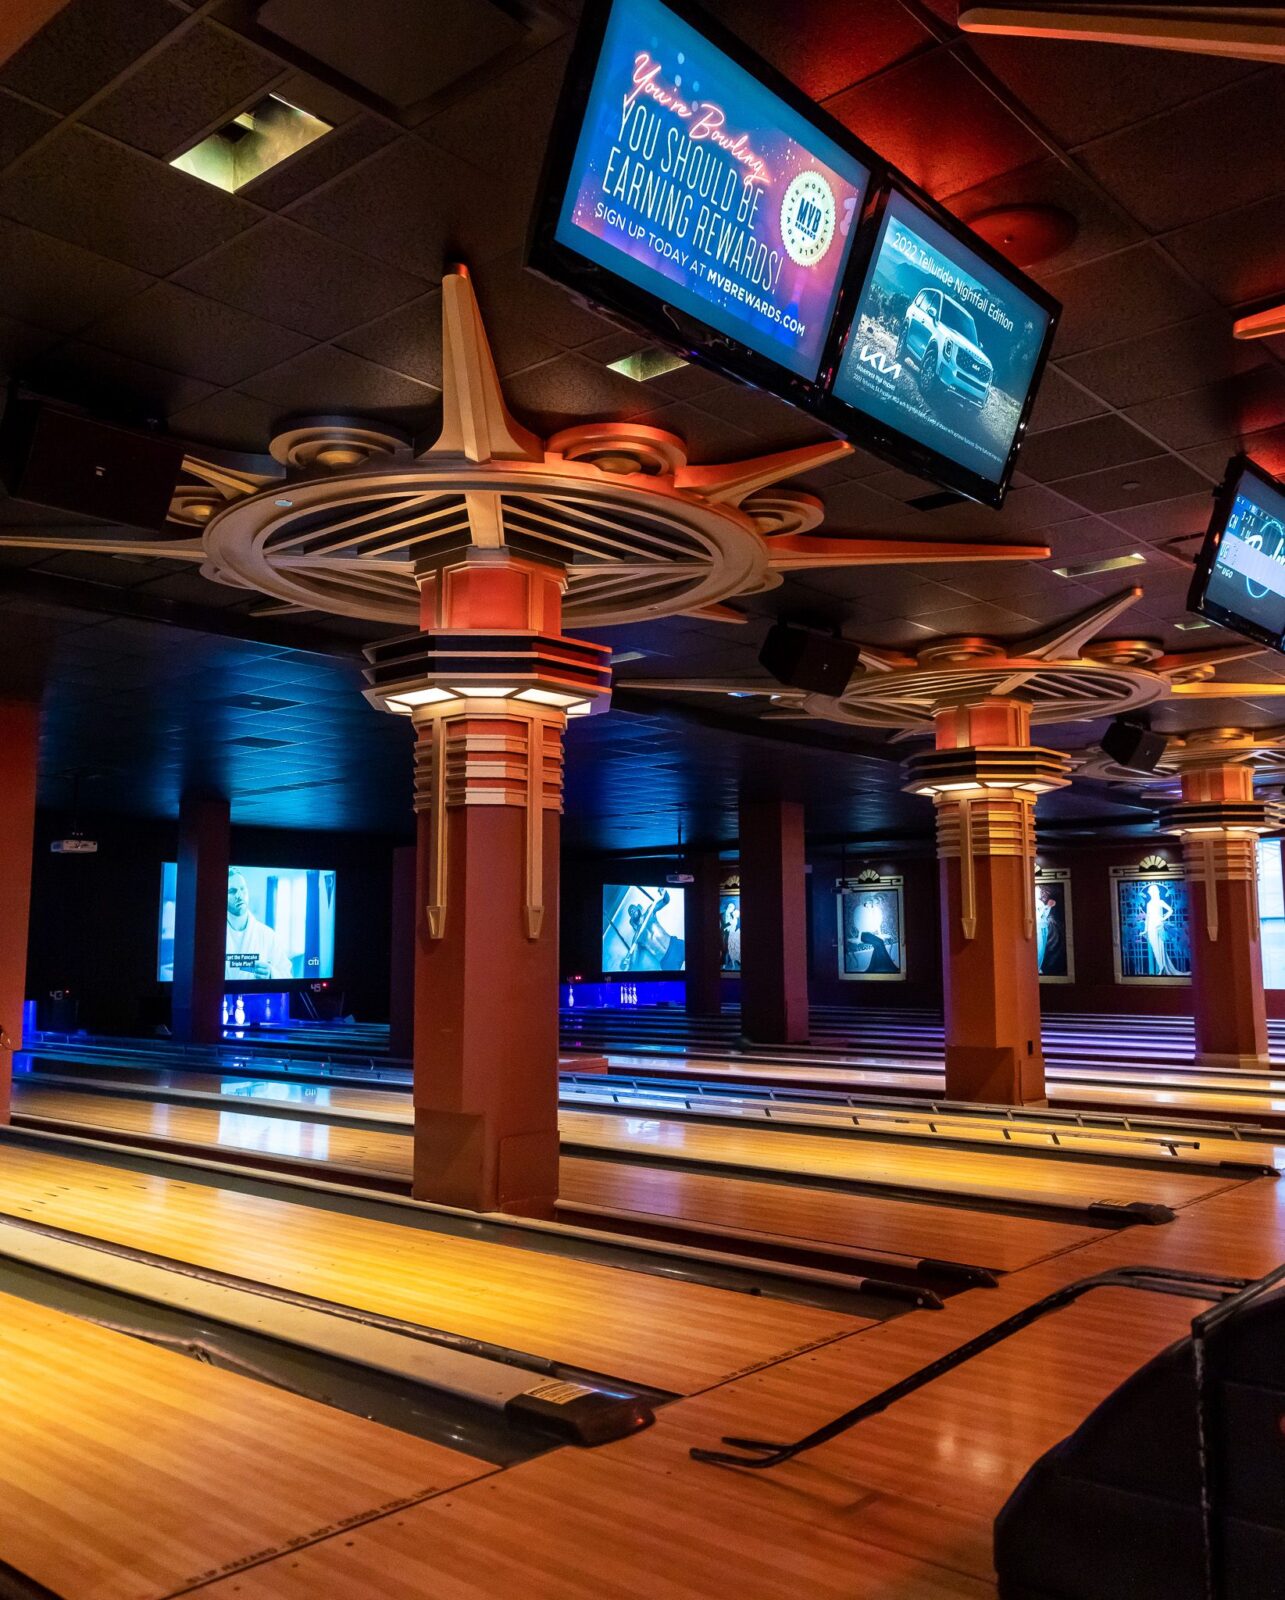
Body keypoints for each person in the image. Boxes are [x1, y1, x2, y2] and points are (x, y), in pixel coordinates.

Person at [226, 869, 293, 980]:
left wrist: (271, 973)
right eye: (232, 891)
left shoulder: (268, 935)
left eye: (242, 889)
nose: (239, 895)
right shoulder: (211, 936)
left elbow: (288, 976)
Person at [620, 888, 685, 972]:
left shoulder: (650, 912)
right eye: (630, 912)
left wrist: (664, 892)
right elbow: (633, 961)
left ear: (638, 908)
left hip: (675, 945)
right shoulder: (636, 938)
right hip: (666, 961)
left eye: (633, 908)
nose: (631, 910)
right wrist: (627, 963)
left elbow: (666, 900)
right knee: (678, 983)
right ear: (631, 919)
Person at [1143, 882, 1176, 976]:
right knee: (1154, 948)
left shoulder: (1160, 902)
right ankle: (1161, 966)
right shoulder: (1149, 904)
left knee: (1160, 947)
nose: (1151, 893)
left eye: (1152, 891)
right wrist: (1145, 929)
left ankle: (1162, 967)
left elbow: (1170, 910)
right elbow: (1148, 917)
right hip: (1151, 927)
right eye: (1150, 892)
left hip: (1158, 925)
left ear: (1155, 892)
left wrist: (1163, 918)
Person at [1037, 886, 1065, 976]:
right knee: (1039, 948)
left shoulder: (1040, 903)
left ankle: (1038, 967)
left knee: (1042, 948)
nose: (1041, 893)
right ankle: (1037, 967)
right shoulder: (1035, 903)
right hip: (1038, 928)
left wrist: (1048, 907)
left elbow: (1044, 915)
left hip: (1043, 926)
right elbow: (1037, 916)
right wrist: (1047, 906)